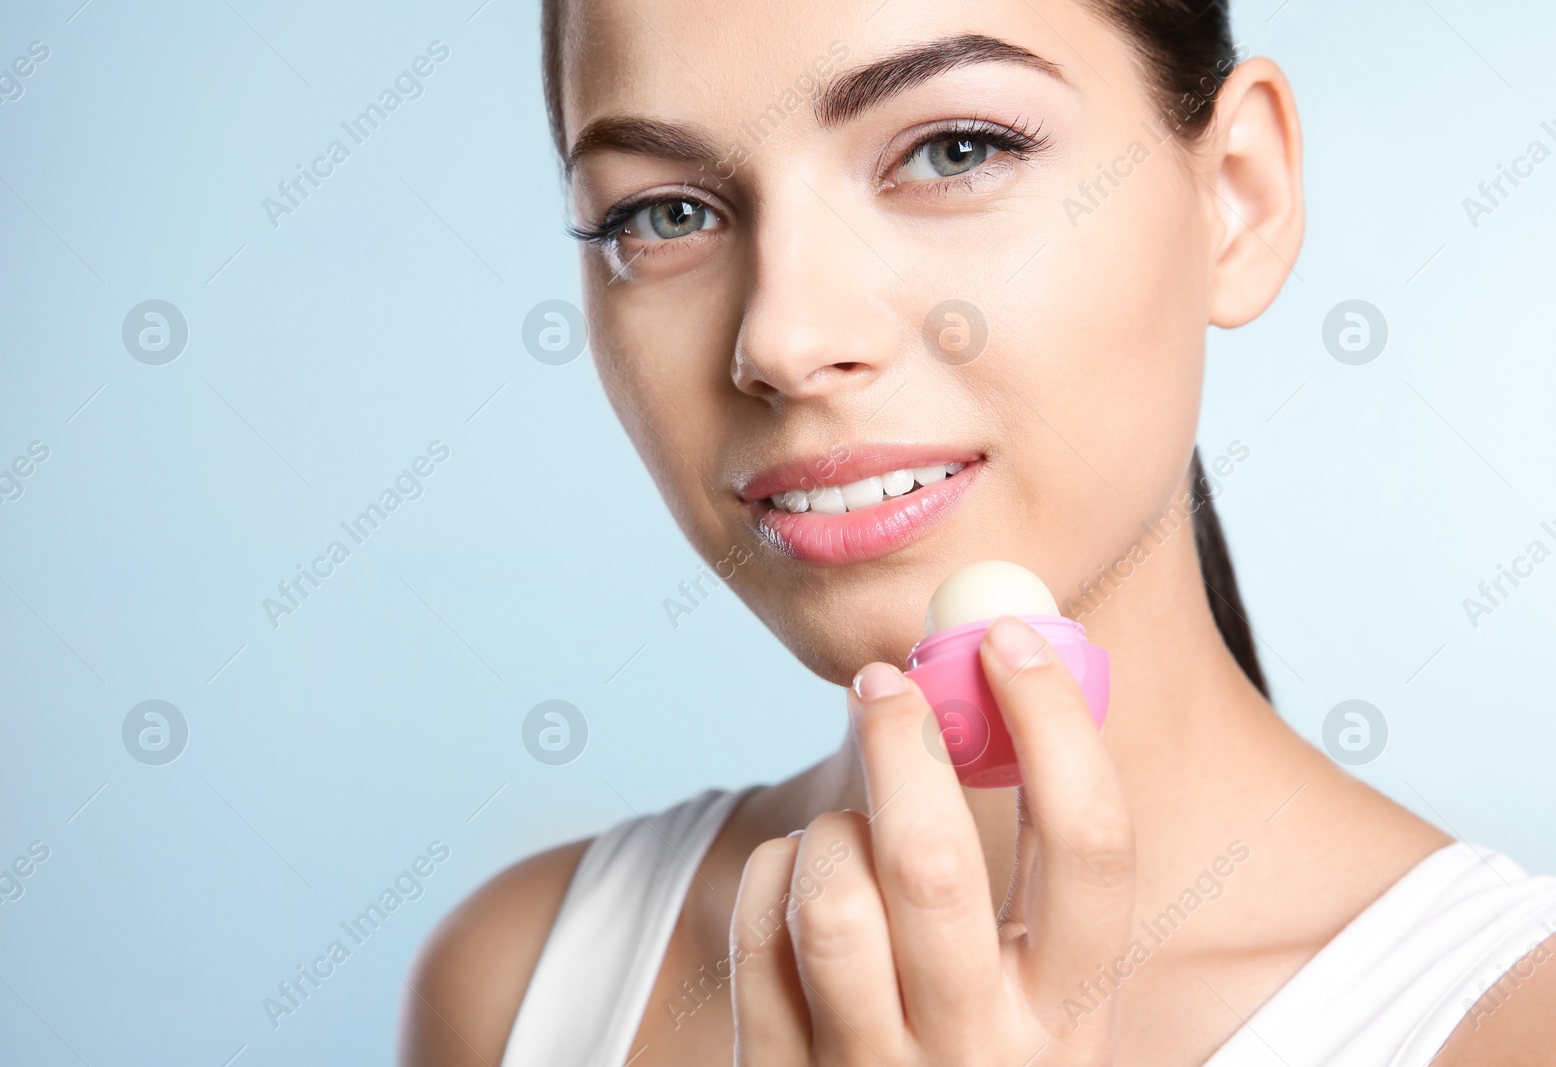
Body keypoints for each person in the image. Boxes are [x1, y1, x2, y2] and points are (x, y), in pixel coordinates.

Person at [399, 0, 1556, 1062]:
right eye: (663, 212)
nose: (786, 337)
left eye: (956, 149)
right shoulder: (518, 985)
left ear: (1238, 194)